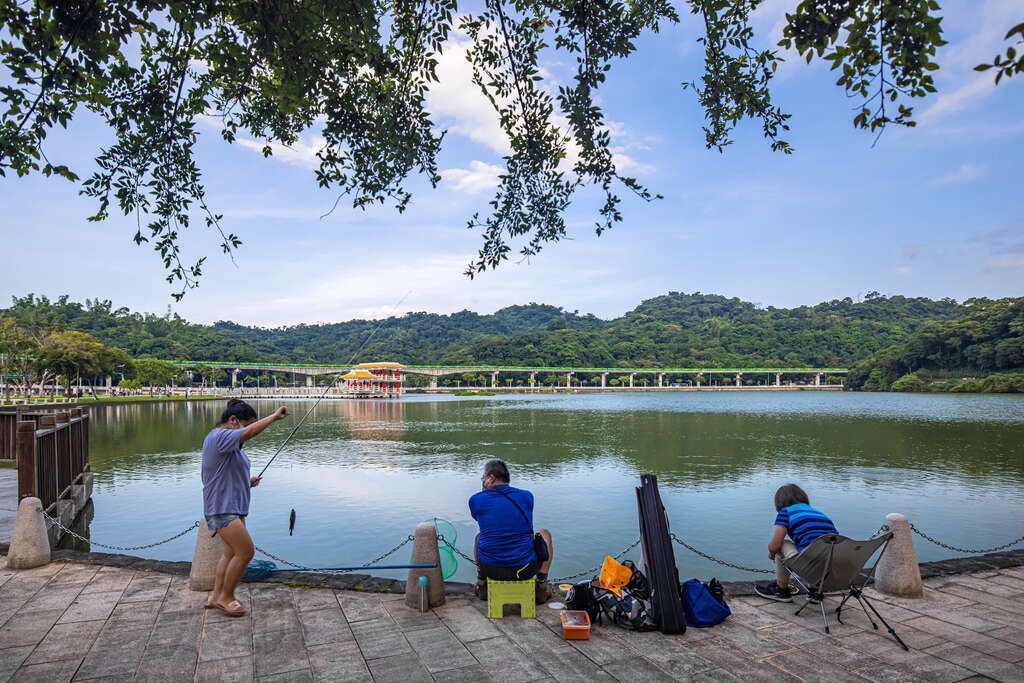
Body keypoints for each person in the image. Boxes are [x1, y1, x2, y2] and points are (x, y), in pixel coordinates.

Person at [202, 398, 288, 616]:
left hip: (234, 507)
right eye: (245, 424)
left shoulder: (229, 445)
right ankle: (227, 597)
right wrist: (274, 417)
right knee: (246, 552)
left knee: (230, 554)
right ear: (232, 420)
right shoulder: (220, 436)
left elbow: (223, 472)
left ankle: (215, 596)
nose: (247, 430)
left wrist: (247, 481)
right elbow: (248, 433)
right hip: (223, 508)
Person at [469, 459, 554, 603]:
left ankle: (482, 583)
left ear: (491, 478)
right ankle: (541, 586)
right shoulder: (527, 496)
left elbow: (482, 518)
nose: (483, 480)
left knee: (480, 536)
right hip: (525, 569)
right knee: (544, 533)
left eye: (483, 477)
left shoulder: (476, 500)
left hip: (490, 569)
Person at [755, 483, 838, 602]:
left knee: (781, 545)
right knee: (817, 547)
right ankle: (814, 591)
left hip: (808, 567)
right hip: (831, 568)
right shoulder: (820, 513)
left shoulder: (785, 513)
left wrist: (772, 554)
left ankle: (782, 591)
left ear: (779, 502)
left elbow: (774, 546)